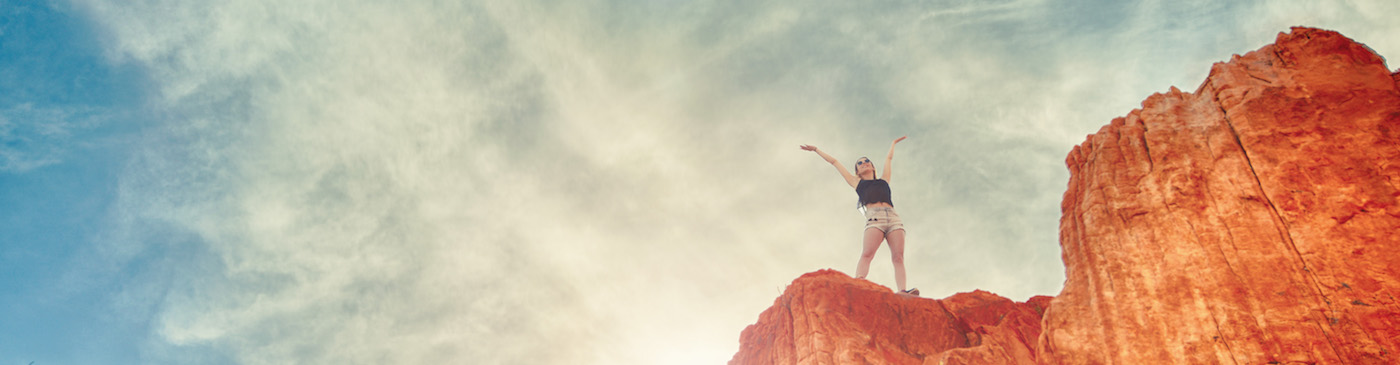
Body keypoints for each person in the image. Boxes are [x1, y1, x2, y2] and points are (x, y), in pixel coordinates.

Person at [799, 136, 917, 295]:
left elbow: (889, 158)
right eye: (859, 163)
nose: (864, 163)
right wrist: (816, 150)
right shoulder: (856, 182)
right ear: (857, 171)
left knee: (898, 257)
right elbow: (834, 162)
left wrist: (893, 143)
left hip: (894, 219)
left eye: (866, 161)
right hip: (875, 219)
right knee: (867, 254)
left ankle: (903, 291)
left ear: (873, 167)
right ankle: (858, 284)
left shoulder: (884, 180)